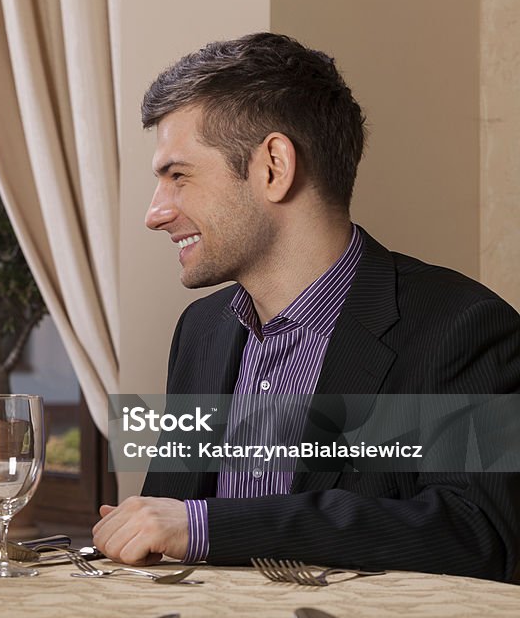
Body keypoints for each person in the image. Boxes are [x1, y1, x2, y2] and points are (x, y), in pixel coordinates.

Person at [93, 33, 520, 580]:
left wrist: (208, 526)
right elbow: (164, 524)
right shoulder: (200, 331)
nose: (156, 213)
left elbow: (475, 534)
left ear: (274, 166)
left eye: (178, 176)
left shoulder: (462, 327)